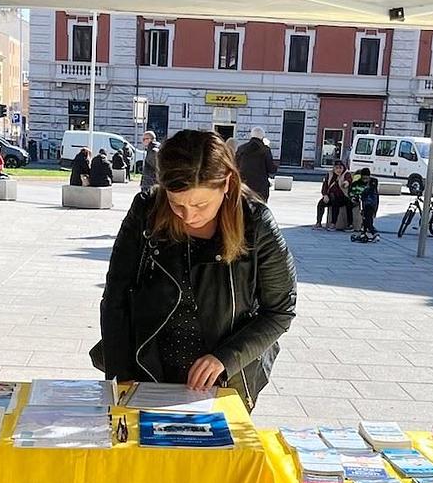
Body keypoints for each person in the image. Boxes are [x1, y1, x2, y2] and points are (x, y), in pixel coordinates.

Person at [97, 129, 296, 412]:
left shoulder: (256, 223)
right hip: (148, 367)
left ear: (227, 183)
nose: (189, 216)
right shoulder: (146, 211)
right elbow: (115, 299)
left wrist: (224, 358)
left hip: (226, 378)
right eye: (176, 203)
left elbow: (279, 311)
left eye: (200, 204)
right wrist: (120, 377)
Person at [235, 126, 277, 202]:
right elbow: (271, 169)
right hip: (260, 188)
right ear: (262, 137)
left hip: (244, 186)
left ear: (251, 135)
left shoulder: (241, 148)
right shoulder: (265, 150)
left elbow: (235, 165)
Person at [317, 161, 352, 230]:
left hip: (343, 197)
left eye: (340, 168)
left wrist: (346, 183)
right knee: (321, 203)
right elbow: (325, 186)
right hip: (330, 196)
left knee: (336, 203)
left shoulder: (346, 174)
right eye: (336, 168)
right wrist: (325, 195)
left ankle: (334, 224)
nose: (338, 170)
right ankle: (318, 222)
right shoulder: (330, 174)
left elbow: (349, 180)